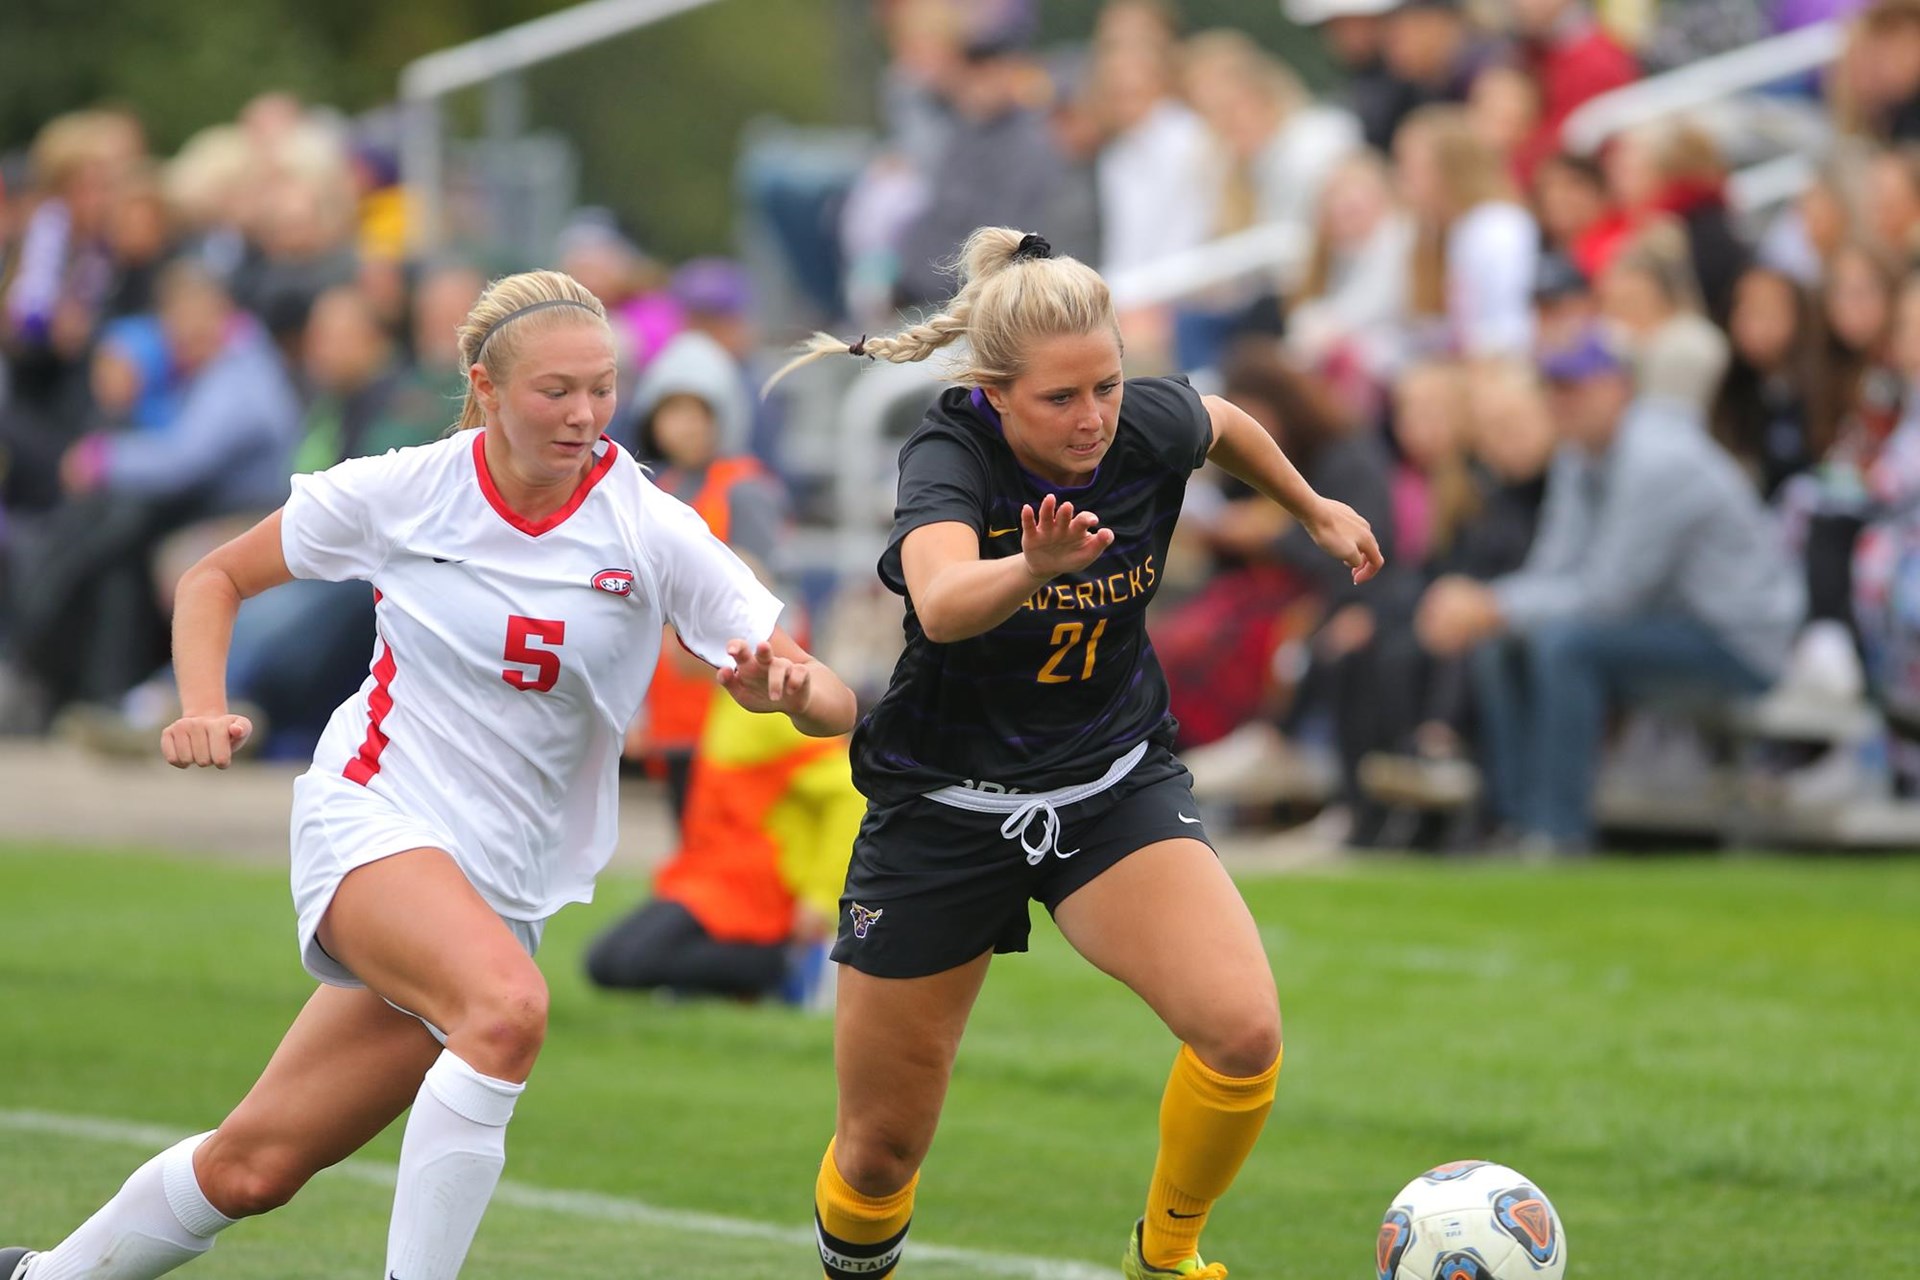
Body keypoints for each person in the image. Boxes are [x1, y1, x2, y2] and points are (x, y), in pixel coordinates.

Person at [0, 269, 858, 1280]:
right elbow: (213, 576)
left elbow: (828, 694)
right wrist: (197, 702)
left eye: (602, 386)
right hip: (375, 815)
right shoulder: (408, 487)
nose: (586, 414)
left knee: (254, 1165)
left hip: (499, 887)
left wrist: (787, 687)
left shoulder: (649, 523)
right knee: (508, 1010)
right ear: (486, 389)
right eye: (556, 391)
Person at [766, 226, 1382, 1280]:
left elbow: (1220, 422)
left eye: (1107, 384)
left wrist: (1313, 507)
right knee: (880, 1150)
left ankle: (1170, 1252)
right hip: (943, 809)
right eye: (1062, 398)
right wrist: (1032, 567)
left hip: (1109, 785)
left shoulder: (1139, 422)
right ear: (994, 392)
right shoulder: (949, 451)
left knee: (1241, 1033)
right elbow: (947, 602)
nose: (1094, 415)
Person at [1416, 323, 1803, 852]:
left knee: (1563, 644)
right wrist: (1491, 610)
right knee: (1503, 642)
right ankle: (1512, 823)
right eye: (1554, 387)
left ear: (1619, 386)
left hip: (1739, 641)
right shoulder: (1581, 455)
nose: (1561, 401)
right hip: (1671, 624)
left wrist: (1491, 602)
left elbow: (1608, 596)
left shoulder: (1657, 459)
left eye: (1575, 386)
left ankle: (1559, 832)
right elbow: (1555, 570)